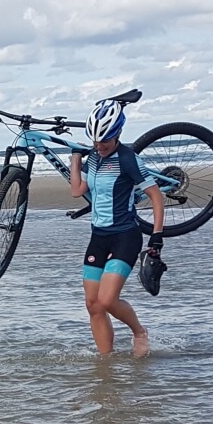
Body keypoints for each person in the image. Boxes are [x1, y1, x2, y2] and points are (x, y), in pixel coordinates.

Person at [68, 98, 164, 358]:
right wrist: (76, 160)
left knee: (108, 300)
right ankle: (105, 362)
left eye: (105, 142)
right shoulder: (93, 158)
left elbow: (156, 196)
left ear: (118, 133)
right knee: (93, 304)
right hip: (98, 237)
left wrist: (156, 236)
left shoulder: (128, 159)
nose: (99, 146)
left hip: (125, 236)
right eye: (95, 141)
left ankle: (139, 331)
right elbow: (78, 190)